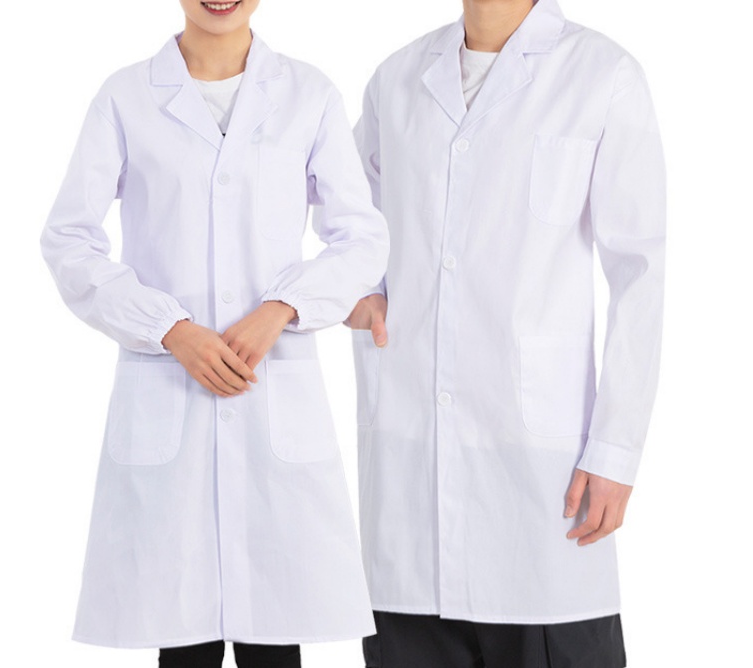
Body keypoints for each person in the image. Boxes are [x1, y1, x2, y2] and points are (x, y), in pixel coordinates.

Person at [40, 1, 389, 666]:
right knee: (183, 643)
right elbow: (69, 240)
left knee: (275, 642)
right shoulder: (125, 97)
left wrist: (283, 306)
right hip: (169, 394)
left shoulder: (308, 95)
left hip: (272, 397)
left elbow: (362, 238)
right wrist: (168, 328)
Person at [347, 0, 665, 666]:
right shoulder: (396, 80)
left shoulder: (601, 74)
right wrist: (356, 292)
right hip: (409, 484)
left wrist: (614, 450)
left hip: (540, 483)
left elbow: (639, 275)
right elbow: (349, 222)